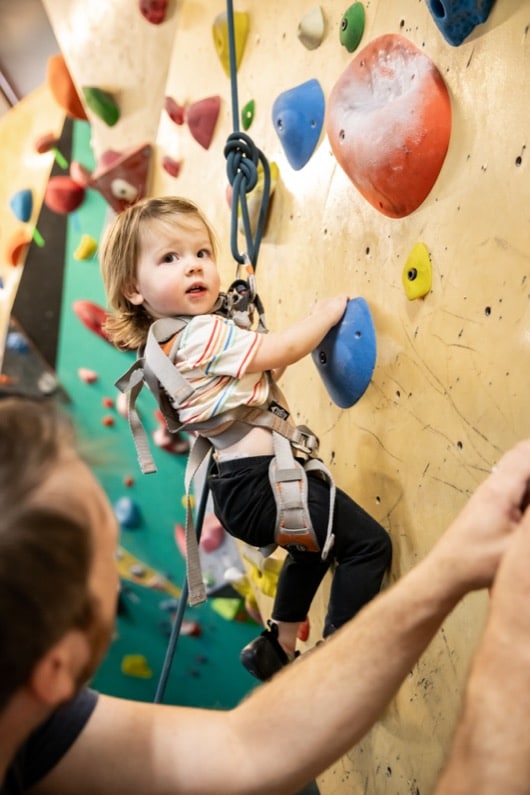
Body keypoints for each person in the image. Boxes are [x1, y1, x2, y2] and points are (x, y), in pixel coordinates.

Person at [3, 396, 530, 795]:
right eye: (111, 560)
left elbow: (247, 747)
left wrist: (451, 566)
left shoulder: (29, 725)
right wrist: (514, 640)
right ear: (55, 671)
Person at [99, 195, 393, 681]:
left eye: (201, 253)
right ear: (134, 289)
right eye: (170, 258)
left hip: (242, 490)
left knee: (310, 547)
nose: (193, 267)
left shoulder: (169, 344)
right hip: (262, 486)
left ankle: (276, 644)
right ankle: (342, 658)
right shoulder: (201, 335)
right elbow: (284, 350)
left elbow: (263, 367)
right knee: (367, 546)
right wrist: (325, 316)